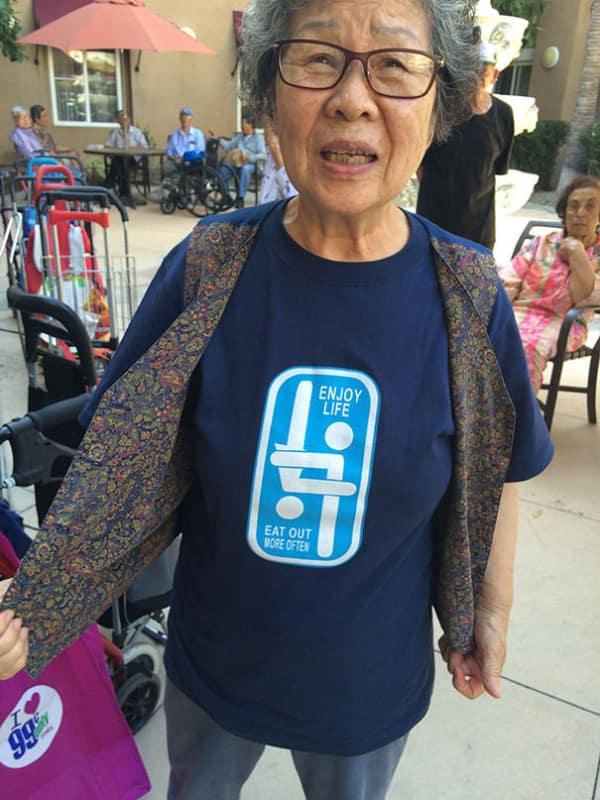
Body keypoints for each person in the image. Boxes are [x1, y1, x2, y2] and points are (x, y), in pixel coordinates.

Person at [0, 1, 554, 799]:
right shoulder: (207, 267)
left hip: (368, 685)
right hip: (214, 670)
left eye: (395, 65)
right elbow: (118, 470)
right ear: (268, 94)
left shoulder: (468, 296)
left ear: (439, 104)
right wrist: (33, 600)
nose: (353, 99)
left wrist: (488, 615)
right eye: (317, 58)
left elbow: (497, 471)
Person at [500, 175, 600, 393]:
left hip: (565, 323)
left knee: (525, 347)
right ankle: (475, 403)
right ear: (564, 211)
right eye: (573, 206)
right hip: (518, 312)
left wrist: (577, 252)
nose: (580, 213)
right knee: (479, 336)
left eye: (590, 206)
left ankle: (517, 411)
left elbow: (587, 298)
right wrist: (491, 313)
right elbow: (507, 281)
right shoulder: (542, 243)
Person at [416, 40, 515, 250]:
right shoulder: (439, 110)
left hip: (479, 233)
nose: (475, 76)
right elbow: (420, 164)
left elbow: (495, 169)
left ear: (495, 75)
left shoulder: (503, 114)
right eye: (470, 70)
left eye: (483, 70)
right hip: (434, 229)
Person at [219, 111, 266, 207]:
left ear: (251, 125)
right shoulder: (239, 137)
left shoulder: (258, 138)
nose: (241, 126)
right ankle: (226, 196)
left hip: (253, 165)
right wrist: (218, 140)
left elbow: (263, 155)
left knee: (245, 169)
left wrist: (250, 158)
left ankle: (240, 198)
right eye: (241, 124)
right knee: (224, 168)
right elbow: (228, 147)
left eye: (243, 124)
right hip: (238, 163)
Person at [30, 104, 85, 183]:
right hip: (47, 160)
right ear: (36, 119)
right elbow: (41, 151)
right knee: (68, 159)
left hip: (55, 156)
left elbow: (54, 147)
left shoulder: (45, 132)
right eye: (44, 116)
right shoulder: (33, 134)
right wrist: (54, 155)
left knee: (72, 154)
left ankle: (78, 179)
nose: (46, 118)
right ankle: (75, 181)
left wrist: (71, 149)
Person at [104, 109, 148, 206]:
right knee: (118, 161)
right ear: (118, 121)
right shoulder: (116, 132)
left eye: (125, 117)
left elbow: (145, 147)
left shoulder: (136, 132)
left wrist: (133, 147)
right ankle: (124, 195)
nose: (123, 119)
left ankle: (109, 186)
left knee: (119, 163)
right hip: (119, 158)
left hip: (133, 160)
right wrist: (114, 148)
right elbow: (108, 145)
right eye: (120, 117)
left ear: (129, 119)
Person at [259, 117, 297, 203]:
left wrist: (276, 152)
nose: (264, 134)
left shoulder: (293, 153)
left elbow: (292, 197)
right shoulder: (270, 154)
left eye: (266, 128)